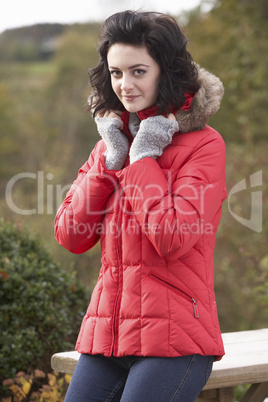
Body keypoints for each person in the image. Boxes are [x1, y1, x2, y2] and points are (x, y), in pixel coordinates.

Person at [55, 10, 227, 402]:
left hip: (176, 342)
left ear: (164, 71)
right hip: (107, 339)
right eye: (116, 73)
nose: (124, 86)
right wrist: (110, 160)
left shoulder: (203, 145)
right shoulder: (110, 145)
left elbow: (173, 237)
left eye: (137, 71)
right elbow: (70, 234)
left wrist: (144, 158)